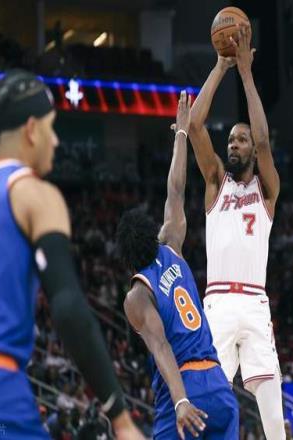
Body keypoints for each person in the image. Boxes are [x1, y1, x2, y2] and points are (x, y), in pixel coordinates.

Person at [0, 70, 142, 439]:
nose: (57, 140)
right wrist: (120, 417)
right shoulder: (33, 194)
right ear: (32, 130)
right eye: (52, 127)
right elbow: (67, 307)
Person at [118, 90, 239, 439]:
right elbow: (176, 188)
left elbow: (160, 346)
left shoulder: (137, 295)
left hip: (187, 387)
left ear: (126, 258)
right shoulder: (171, 244)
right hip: (219, 385)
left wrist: (181, 400)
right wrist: (181, 134)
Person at [188, 23, 285, 439]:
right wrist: (220, 67)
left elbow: (264, 140)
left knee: (274, 416)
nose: (234, 144)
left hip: (255, 302)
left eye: (240, 140)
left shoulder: (267, 190)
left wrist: (246, 73)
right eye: (231, 139)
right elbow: (195, 126)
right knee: (209, 401)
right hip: (219, 302)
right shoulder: (216, 182)